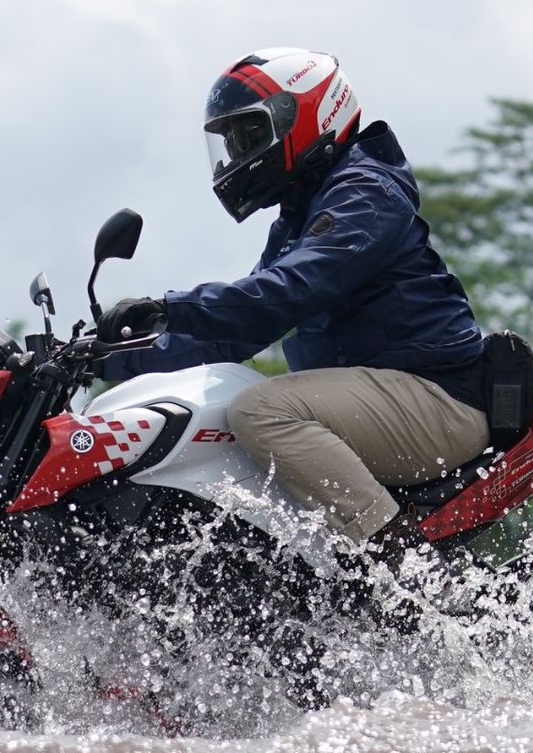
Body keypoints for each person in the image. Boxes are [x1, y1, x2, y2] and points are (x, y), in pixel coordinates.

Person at [94, 47, 490, 573]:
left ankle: (400, 568)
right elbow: (235, 335)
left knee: (258, 410)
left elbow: (288, 291)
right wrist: (112, 358)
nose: (236, 155)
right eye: (230, 141)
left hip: (438, 397)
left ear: (307, 116)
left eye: (248, 136)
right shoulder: (303, 212)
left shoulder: (366, 192)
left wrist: (170, 308)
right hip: (388, 398)